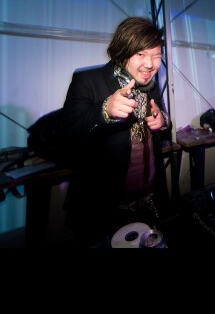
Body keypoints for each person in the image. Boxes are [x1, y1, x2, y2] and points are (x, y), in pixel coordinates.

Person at [60, 16, 171, 248]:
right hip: (102, 211)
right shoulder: (87, 80)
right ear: (123, 50)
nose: (150, 64)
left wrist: (163, 121)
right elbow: (67, 135)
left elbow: (163, 121)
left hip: (149, 203)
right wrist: (103, 111)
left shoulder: (150, 84)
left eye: (156, 55)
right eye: (140, 54)